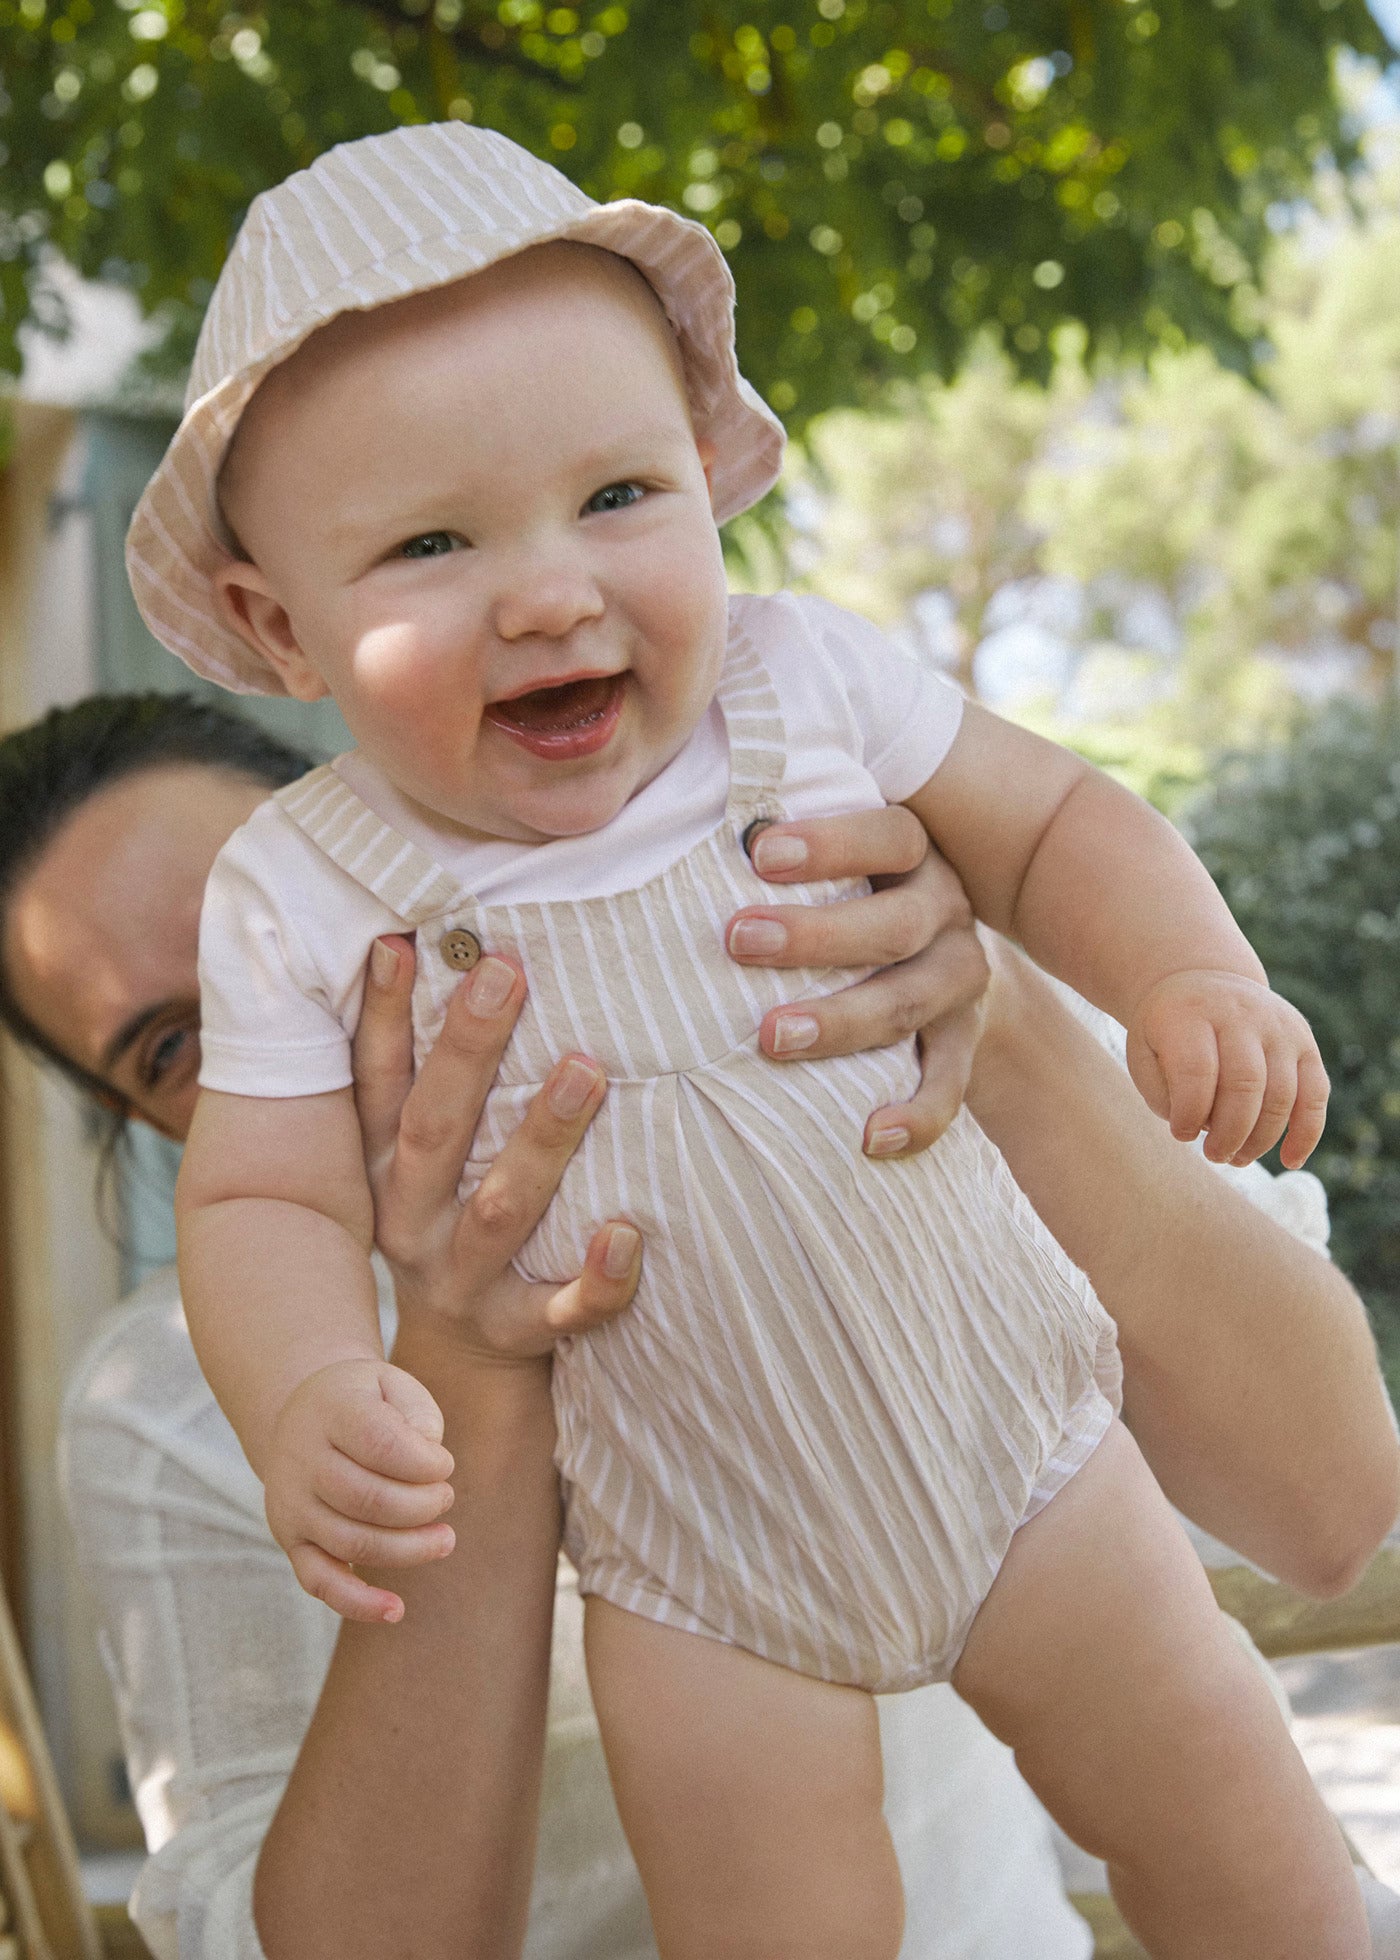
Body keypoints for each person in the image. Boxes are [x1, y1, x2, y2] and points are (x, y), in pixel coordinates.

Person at [123, 127, 1378, 1956]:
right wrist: (312, 1388)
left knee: (1238, 1831)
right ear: (270, 622)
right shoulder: (305, 890)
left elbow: (1058, 829)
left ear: (711, 474)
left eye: (614, 496)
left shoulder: (808, 684)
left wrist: (1192, 974)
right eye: (432, 542)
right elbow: (261, 1204)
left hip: (1011, 1439)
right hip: (696, 1566)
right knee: (778, 1922)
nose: (548, 589)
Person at [2, 697, 1395, 1958]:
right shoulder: (179, 1401)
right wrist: (468, 1363)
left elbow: (1324, 1507)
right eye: (182, 1046)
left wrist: (1001, 1022)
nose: (285, 1019)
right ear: (146, 1122)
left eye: (277, 933)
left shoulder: (837, 1010)